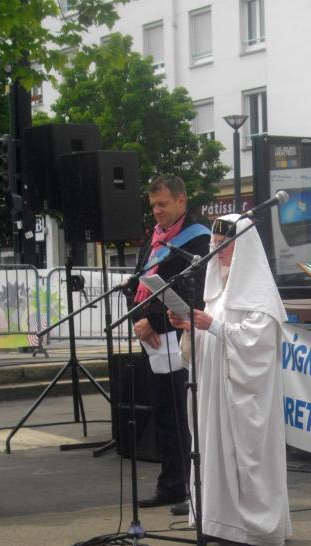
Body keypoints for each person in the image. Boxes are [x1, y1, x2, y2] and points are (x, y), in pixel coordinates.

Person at [168, 214, 291, 546]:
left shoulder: (259, 295)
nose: (217, 252)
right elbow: (206, 337)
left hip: (240, 393)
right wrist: (189, 326)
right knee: (210, 450)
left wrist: (213, 326)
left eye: (225, 245)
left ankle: (248, 528)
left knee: (242, 454)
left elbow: (259, 344)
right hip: (212, 389)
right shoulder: (217, 291)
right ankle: (216, 520)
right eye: (215, 245)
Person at [126, 174, 211, 512]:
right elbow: (137, 281)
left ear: (181, 200)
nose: (157, 211)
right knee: (164, 412)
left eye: (162, 204)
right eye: (153, 206)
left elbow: (193, 290)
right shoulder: (155, 238)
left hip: (178, 335)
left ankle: (192, 488)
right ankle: (170, 483)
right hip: (154, 339)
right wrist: (137, 318)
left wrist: (155, 320)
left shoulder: (198, 241)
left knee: (184, 414)